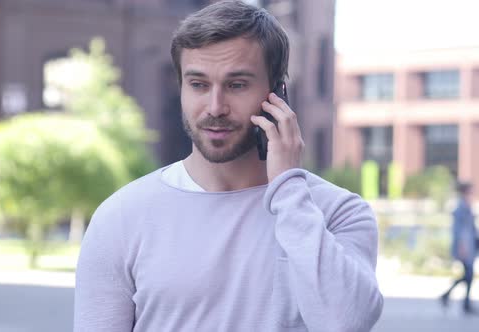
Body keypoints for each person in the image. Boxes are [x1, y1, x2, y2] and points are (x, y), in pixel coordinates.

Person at [74, 1, 383, 331]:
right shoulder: (123, 216)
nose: (215, 106)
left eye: (236, 85)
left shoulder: (338, 212)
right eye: (198, 84)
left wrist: (289, 190)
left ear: (278, 95)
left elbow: (345, 323)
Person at [440, 181, 477, 314]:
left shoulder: (467, 205)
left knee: (468, 275)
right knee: (468, 275)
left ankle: (450, 297)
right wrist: (462, 247)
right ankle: (463, 303)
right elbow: (459, 230)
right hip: (465, 247)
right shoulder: (461, 207)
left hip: (470, 246)